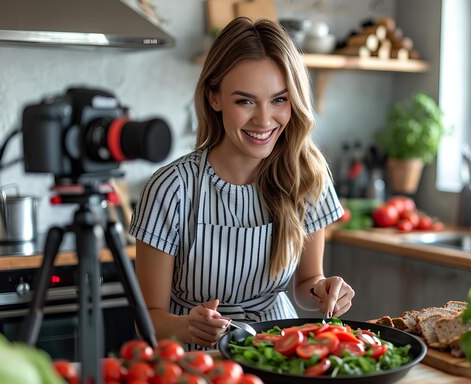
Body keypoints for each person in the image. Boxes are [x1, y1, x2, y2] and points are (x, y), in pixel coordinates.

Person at [129, 16, 355, 349]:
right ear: (214, 98)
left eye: (279, 99)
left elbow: (307, 283)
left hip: (276, 350)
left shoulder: (306, 176)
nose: (264, 120)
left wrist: (324, 291)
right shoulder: (171, 189)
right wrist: (186, 326)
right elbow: (146, 317)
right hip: (195, 361)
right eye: (245, 101)